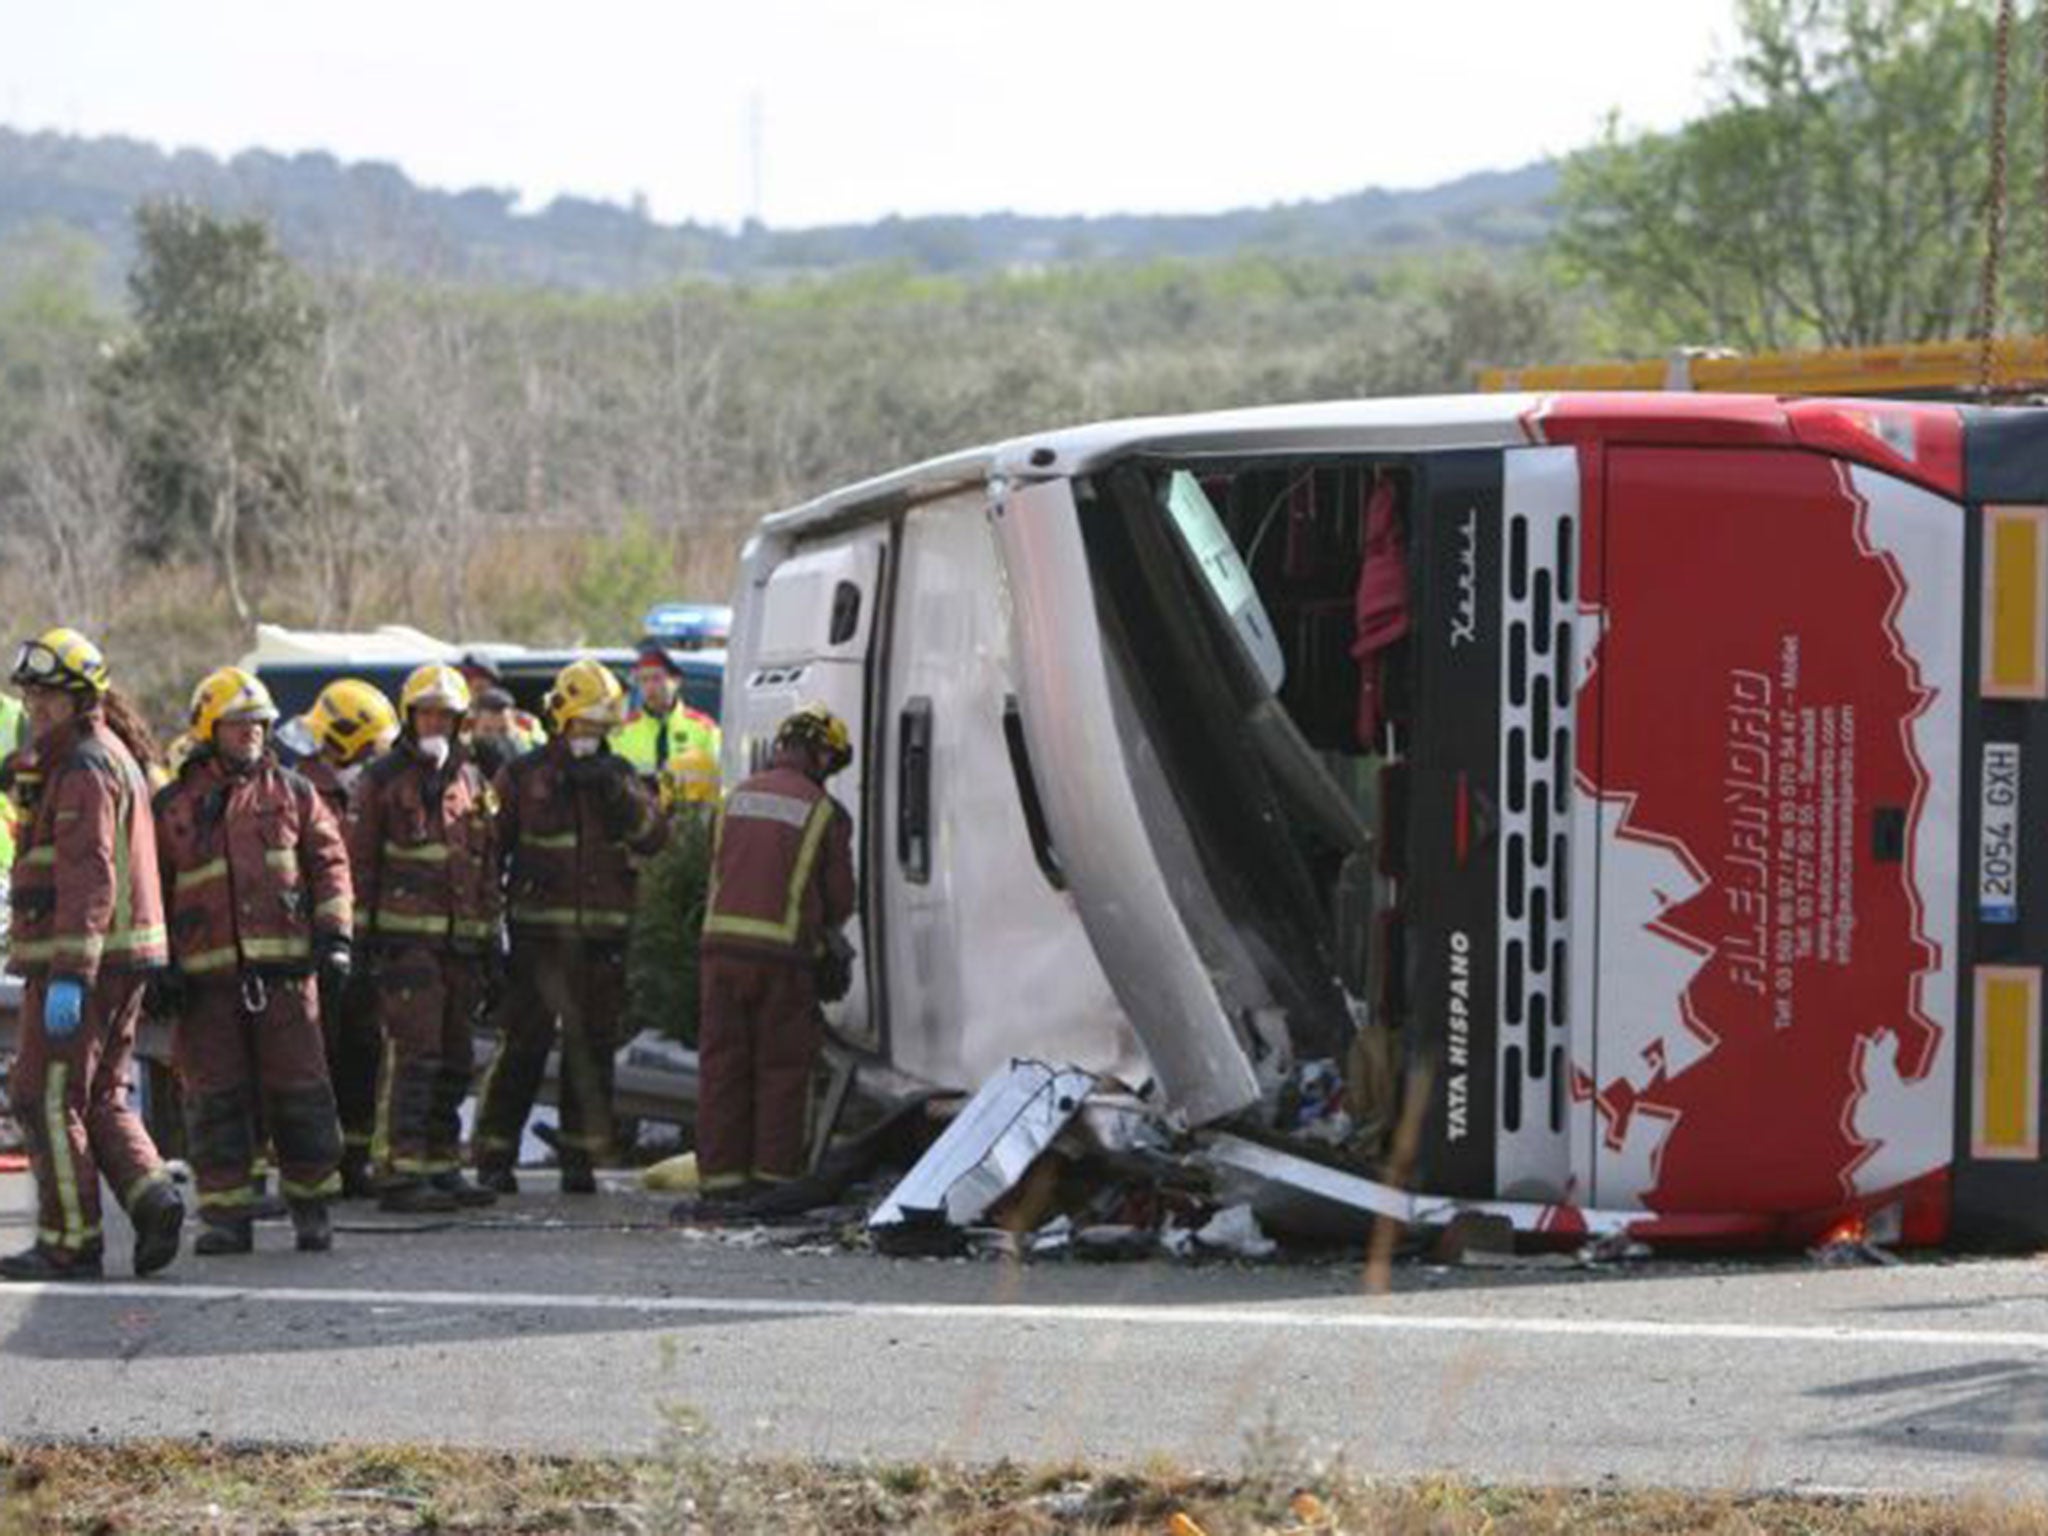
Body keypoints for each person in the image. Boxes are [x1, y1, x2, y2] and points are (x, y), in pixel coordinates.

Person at [1, 627, 183, 1281]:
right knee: (101, 1093)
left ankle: (69, 1242)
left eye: (50, 696)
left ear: (82, 699)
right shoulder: (97, 756)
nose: (37, 707)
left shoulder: (83, 767)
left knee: (43, 1096)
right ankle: (153, 1197)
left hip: (83, 963)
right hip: (117, 958)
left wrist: (70, 974)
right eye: (32, 695)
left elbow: (89, 875)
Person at [153, 668, 351, 1255]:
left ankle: (312, 1210)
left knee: (302, 1094)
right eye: (238, 727)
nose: (251, 736)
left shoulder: (294, 792)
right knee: (216, 1099)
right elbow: (151, 887)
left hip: (287, 979)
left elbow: (330, 864)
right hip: (206, 984)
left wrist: (335, 937)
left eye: (259, 726)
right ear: (210, 730)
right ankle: (225, 1217)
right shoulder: (173, 806)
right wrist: (158, 964)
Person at [472, 659, 665, 1194]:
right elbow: (490, 852)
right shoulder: (523, 776)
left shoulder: (620, 775)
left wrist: (619, 793)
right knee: (523, 1048)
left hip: (602, 943)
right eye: (583, 726)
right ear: (561, 720)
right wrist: (492, 931)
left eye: (600, 729)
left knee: (593, 1050)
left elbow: (654, 838)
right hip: (537, 940)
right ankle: (493, 1157)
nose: (591, 737)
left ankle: (579, 1161)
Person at [688, 703, 855, 1208]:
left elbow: (718, 870)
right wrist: (828, 946)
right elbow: (840, 899)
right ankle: (772, 1184)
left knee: (722, 1068)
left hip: (719, 954)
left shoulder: (735, 798)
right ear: (818, 752)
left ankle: (719, 1183)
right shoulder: (823, 811)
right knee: (781, 1071)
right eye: (831, 758)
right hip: (782, 959)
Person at [349, 664, 501, 1213]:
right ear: (410, 717)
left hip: (461, 946)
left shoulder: (471, 779)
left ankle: (441, 1165)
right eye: (427, 712)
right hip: (404, 945)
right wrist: (359, 940)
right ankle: (399, 1169)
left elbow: (484, 864)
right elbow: (360, 864)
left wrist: (491, 937)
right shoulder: (382, 779)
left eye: (446, 714)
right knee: (414, 1056)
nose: (436, 721)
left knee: (456, 1059)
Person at [296, 678, 398, 1195]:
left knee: (364, 1055)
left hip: (366, 945)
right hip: (316, 946)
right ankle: (322, 1165)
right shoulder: (302, 789)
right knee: (321, 1059)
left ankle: (356, 1162)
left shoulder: (373, 788)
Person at [610, 642, 719, 780]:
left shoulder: (704, 730)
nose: (650, 687)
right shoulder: (621, 733)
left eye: (657, 679)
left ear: (676, 681)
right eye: (643, 680)